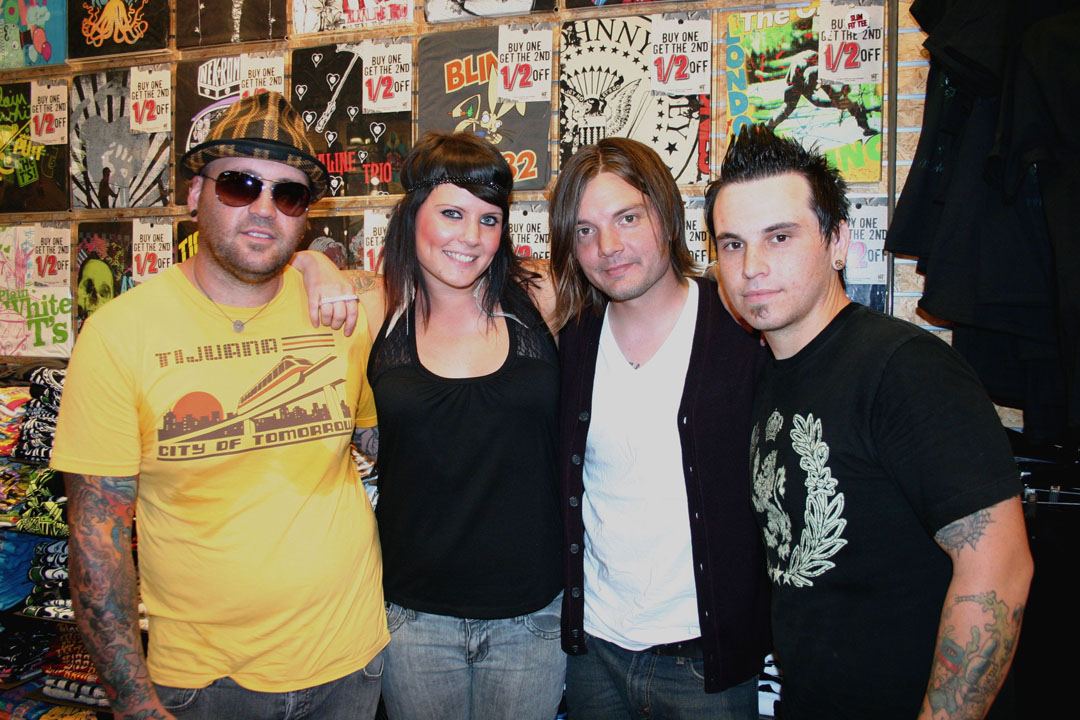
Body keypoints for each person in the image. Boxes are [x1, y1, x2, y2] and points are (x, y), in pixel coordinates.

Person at [50, 92, 387, 720]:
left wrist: (317, 263)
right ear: (193, 194)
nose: (263, 209)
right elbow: (96, 540)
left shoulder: (342, 315)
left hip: (354, 660)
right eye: (239, 184)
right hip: (206, 684)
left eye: (288, 195)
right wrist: (132, 702)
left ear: (304, 216)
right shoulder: (120, 335)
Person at [706, 125, 1033, 719]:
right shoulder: (771, 372)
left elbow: (999, 566)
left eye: (780, 236)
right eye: (732, 244)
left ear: (838, 242)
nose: (752, 266)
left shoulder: (905, 368)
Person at [328, 131, 565, 720]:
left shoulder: (542, 296)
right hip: (414, 618)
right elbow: (283, 280)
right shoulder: (377, 307)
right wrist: (310, 261)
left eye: (489, 219)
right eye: (452, 213)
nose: (471, 237)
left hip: (531, 615)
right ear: (412, 215)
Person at [548, 137, 770, 719]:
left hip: (705, 663)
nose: (608, 247)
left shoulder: (741, 328)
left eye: (627, 218)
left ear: (667, 216)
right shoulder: (571, 340)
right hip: (595, 652)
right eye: (586, 230)